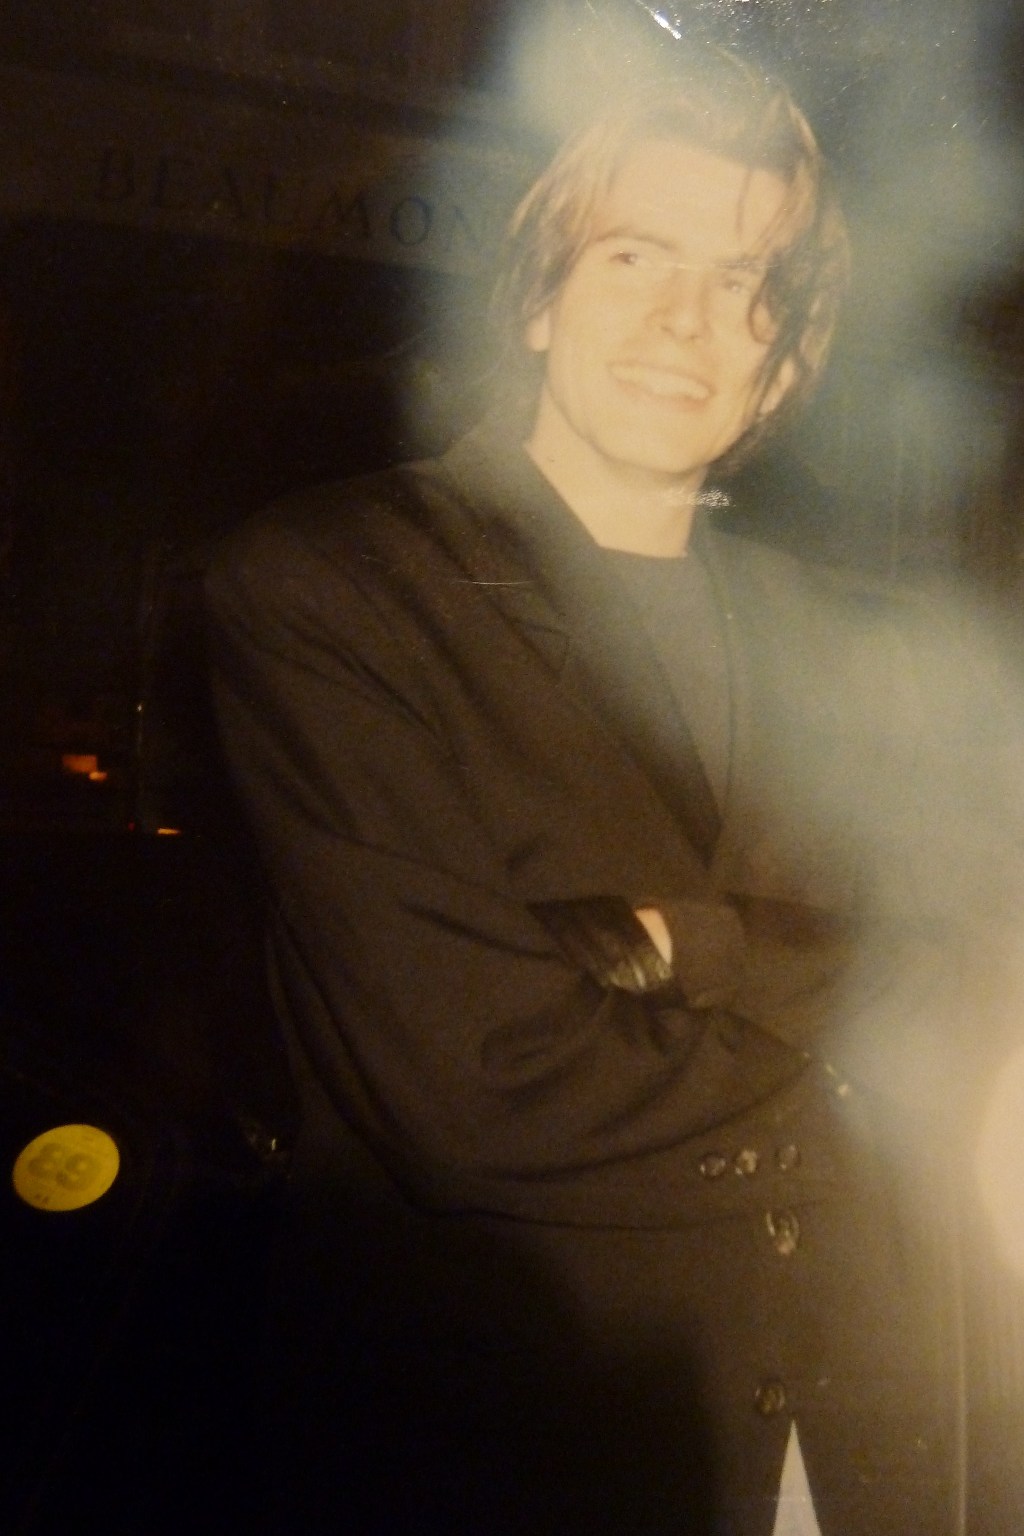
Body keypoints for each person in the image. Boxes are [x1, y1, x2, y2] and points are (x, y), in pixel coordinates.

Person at [205, 48, 1024, 1536]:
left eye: (743, 277)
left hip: (862, 1445)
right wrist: (851, 1006)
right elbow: (484, 1085)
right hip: (522, 1452)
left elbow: (971, 981)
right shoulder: (338, 586)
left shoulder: (851, 638)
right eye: (634, 253)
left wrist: (687, 950)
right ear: (533, 295)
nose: (684, 320)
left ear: (788, 352)